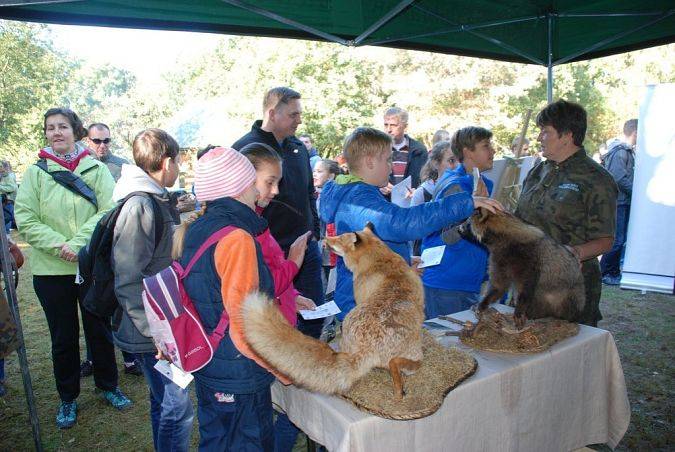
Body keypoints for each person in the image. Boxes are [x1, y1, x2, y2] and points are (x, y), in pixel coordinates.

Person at [14, 107, 131, 429]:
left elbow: (109, 211)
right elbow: (25, 217)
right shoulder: (35, 174)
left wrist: (79, 244)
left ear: (75, 131)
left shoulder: (96, 170)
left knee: (99, 330)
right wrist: (59, 246)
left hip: (90, 266)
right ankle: (68, 398)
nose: (56, 133)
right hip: (51, 271)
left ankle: (108, 385)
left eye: (62, 126)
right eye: (50, 128)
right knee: (63, 338)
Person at [319, 127, 503, 320]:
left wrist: (403, 257)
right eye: (388, 159)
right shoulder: (358, 198)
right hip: (366, 307)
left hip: (369, 300)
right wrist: (466, 202)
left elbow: (372, 245)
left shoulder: (357, 193)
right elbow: (401, 223)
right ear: (370, 161)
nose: (391, 166)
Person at [174, 147, 287, 451]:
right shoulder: (237, 239)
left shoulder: (197, 228)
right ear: (239, 188)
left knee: (215, 441)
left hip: (210, 364)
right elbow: (243, 325)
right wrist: (280, 367)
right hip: (240, 375)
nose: (259, 191)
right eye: (254, 183)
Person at [231, 86, 323, 452]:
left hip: (305, 248)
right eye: (294, 113)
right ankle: (281, 386)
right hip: (273, 252)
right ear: (273, 110)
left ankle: (307, 379)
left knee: (311, 314)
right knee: (278, 320)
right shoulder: (246, 148)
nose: (299, 119)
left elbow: (307, 195)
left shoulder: (299, 148)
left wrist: (313, 230)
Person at [111, 128, 193, 451]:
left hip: (159, 325)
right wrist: (154, 333)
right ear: (166, 161)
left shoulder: (158, 198)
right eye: (179, 161)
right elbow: (128, 277)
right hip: (149, 330)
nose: (180, 168)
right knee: (177, 406)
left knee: (163, 401)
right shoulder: (139, 206)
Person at [515, 100, 617, 327]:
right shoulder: (539, 170)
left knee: (568, 354)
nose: (540, 137)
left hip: (569, 288)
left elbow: (605, 240)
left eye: (546, 131)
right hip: (529, 281)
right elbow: (522, 219)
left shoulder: (596, 179)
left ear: (567, 135)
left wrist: (574, 252)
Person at [80, 124, 140, 377]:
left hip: (117, 242)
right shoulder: (80, 167)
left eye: (106, 140)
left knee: (118, 302)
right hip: (89, 245)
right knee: (95, 303)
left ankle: (130, 358)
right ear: (86, 140)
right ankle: (94, 359)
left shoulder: (122, 166)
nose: (102, 145)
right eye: (97, 140)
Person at [420, 127, 496, 319]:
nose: (493, 151)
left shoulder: (479, 183)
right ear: (467, 152)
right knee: (447, 344)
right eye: (486, 146)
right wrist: (476, 212)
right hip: (448, 282)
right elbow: (448, 235)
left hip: (465, 278)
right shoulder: (456, 186)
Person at [239, 142, 316, 321]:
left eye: (278, 182)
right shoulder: (242, 231)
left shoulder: (257, 220)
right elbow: (260, 288)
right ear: (245, 178)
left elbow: (272, 270)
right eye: (270, 182)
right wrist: (294, 262)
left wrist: (292, 297)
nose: (276, 191)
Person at [600, 119, 637, 286]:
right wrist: (636, 192)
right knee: (617, 239)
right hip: (619, 202)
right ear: (635, 132)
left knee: (620, 239)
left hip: (623, 201)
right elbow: (619, 177)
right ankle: (605, 272)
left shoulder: (627, 151)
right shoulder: (621, 152)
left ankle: (613, 271)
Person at [381, 106, 428, 195]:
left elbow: (426, 181)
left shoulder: (419, 150)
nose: (389, 130)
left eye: (394, 125)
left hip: (410, 204)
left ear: (405, 127)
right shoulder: (378, 150)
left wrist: (417, 192)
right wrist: (379, 186)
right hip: (384, 204)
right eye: (386, 125)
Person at [313, 159, 341, 286]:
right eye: (313, 171)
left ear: (331, 176)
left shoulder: (335, 195)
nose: (314, 174)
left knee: (331, 281)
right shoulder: (314, 194)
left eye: (319, 171)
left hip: (332, 247)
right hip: (321, 247)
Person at [410, 140, 458, 208]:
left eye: (460, 160)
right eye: (451, 160)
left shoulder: (464, 188)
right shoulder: (423, 193)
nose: (458, 165)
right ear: (436, 164)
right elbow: (414, 218)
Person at [0, 161, 17, 233]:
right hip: (5, 201)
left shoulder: (9, 176)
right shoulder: (4, 175)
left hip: (8, 202)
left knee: (7, 219)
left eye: (1, 166)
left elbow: (12, 188)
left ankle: (6, 236)